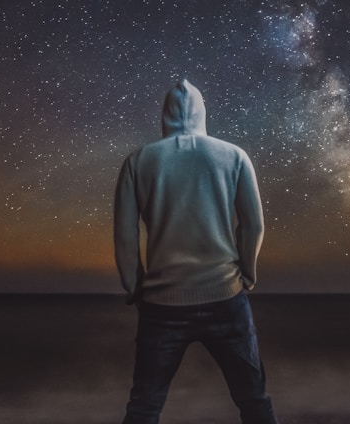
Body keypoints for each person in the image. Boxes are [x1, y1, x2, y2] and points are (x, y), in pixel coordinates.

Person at [114, 79, 278, 424]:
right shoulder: (233, 156)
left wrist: (134, 285)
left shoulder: (138, 161)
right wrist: (248, 273)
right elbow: (253, 225)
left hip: (162, 302)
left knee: (144, 406)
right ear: (203, 112)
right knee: (253, 401)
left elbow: (125, 235)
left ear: (165, 114)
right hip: (226, 298)